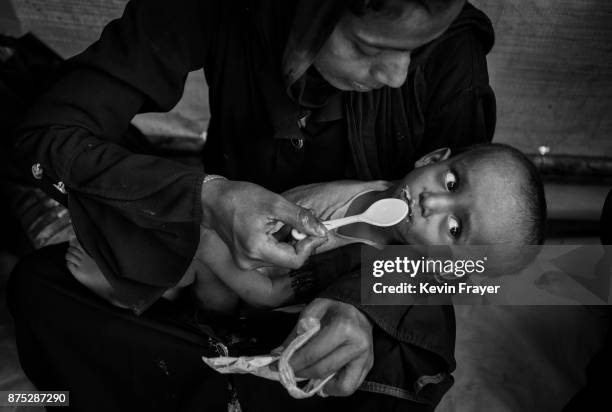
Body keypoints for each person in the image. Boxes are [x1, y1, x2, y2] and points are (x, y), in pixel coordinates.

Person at [8, 0, 497, 410]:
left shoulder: (454, 46)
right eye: (369, 48)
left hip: (366, 292)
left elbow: (474, 251)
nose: (397, 76)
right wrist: (209, 196)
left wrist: (360, 303)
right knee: (38, 290)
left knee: (380, 377)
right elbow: (46, 136)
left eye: (415, 49)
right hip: (224, 269)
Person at [65, 143, 546, 313]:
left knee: (200, 248)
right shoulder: (383, 186)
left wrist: (216, 255)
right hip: (264, 226)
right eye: (450, 180)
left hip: (245, 291)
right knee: (181, 209)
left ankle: (142, 290)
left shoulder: (376, 267)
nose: (433, 201)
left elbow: (270, 296)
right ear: (433, 158)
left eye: (455, 228)